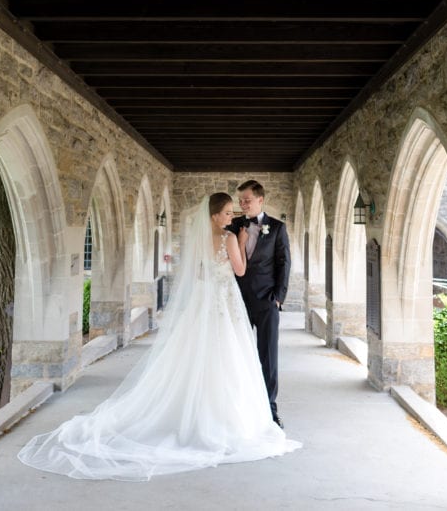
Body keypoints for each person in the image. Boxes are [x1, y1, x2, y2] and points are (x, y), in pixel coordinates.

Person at [17, 193, 301, 481]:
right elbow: (239, 270)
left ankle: (190, 411)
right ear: (215, 216)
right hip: (224, 303)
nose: (232, 216)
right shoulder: (229, 238)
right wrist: (240, 242)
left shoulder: (200, 240)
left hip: (204, 301)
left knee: (197, 355)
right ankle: (224, 418)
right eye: (227, 212)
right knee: (228, 356)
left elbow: (200, 273)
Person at [227, 180, 290, 428]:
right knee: (237, 354)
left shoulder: (277, 228)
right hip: (237, 301)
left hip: (267, 302)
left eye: (247, 200)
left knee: (268, 356)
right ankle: (240, 406)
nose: (242, 204)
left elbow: (284, 263)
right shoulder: (233, 226)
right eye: (240, 200)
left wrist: (278, 298)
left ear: (260, 200)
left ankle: (270, 409)